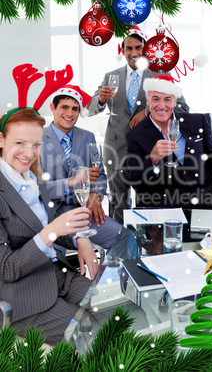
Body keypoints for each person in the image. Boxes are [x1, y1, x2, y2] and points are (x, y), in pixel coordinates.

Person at [0, 107, 95, 345]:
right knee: (95, 335)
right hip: (24, 297)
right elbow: (8, 269)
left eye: (36, 145)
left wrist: (78, 239)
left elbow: (46, 227)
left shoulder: (33, 177)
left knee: (118, 313)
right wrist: (53, 230)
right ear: (1, 140)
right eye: (19, 143)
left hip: (57, 276)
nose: (29, 153)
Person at [87, 27, 190, 224]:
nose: (134, 53)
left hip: (147, 149)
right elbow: (91, 108)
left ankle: (147, 239)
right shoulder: (111, 76)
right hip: (115, 148)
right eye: (129, 48)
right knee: (118, 200)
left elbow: (183, 108)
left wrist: (148, 111)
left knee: (147, 199)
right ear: (122, 50)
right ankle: (121, 241)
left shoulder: (159, 73)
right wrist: (100, 99)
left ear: (146, 49)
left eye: (139, 47)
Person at [41, 85, 136, 259]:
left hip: (82, 214)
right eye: (64, 107)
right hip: (47, 217)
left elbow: (99, 174)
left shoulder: (87, 137)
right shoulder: (37, 139)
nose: (70, 113)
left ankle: (111, 280)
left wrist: (95, 194)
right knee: (53, 264)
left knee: (126, 237)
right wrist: (72, 182)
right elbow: (37, 189)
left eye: (75, 109)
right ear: (53, 108)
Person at [126, 75, 212, 210]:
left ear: (175, 101)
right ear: (147, 101)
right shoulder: (135, 135)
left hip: (207, 201)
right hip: (166, 206)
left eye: (167, 99)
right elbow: (135, 181)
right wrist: (153, 158)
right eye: (155, 99)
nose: (161, 105)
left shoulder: (197, 121)